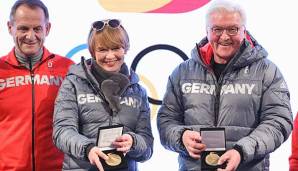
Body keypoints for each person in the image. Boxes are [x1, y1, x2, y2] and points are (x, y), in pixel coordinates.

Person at [157, 0, 293, 171]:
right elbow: (166, 121)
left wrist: (242, 151)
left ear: (244, 30)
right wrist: (181, 136)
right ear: (207, 31)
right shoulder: (182, 72)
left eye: (233, 29)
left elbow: (279, 121)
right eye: (217, 29)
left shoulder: (267, 71)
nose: (225, 36)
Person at [52, 19, 153, 171]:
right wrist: (88, 149)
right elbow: (62, 132)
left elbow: (147, 148)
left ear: (125, 48)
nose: (110, 56)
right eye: (103, 50)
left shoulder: (138, 92)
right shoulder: (73, 84)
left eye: (115, 48)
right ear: (92, 51)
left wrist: (133, 142)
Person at [0, 0, 74, 171]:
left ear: (47, 29)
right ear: (10, 27)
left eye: (37, 28)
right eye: (23, 28)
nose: (31, 36)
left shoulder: (68, 69)